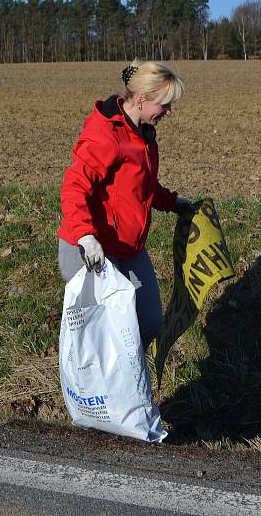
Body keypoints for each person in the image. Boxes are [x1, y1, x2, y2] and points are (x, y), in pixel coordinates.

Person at [57, 59, 194, 351]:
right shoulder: (106, 134)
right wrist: (85, 235)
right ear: (142, 99)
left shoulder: (143, 135)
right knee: (106, 338)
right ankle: (100, 392)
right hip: (91, 250)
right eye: (165, 105)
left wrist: (172, 202)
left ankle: (129, 387)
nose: (169, 112)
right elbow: (74, 186)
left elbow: (140, 186)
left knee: (149, 323)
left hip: (127, 247)